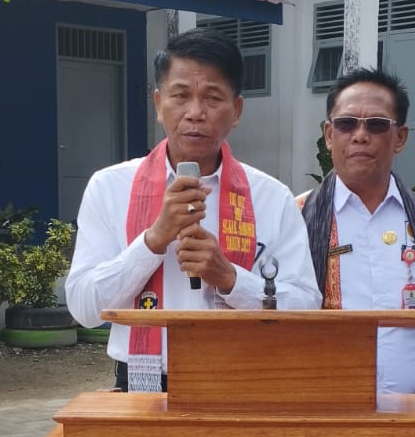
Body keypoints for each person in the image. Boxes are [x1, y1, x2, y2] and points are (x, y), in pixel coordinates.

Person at [65, 30, 318, 389]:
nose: (195, 113)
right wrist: (152, 241)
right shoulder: (109, 188)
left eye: (212, 98)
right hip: (142, 385)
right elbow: (83, 307)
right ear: (158, 104)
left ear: (237, 111)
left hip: (245, 384)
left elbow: (306, 308)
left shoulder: (271, 198)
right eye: (180, 96)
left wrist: (231, 279)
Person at [300, 66, 415, 395]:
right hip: (324, 407)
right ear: (329, 135)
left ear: (400, 138)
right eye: (347, 124)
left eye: (376, 125)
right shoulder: (297, 217)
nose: (360, 135)